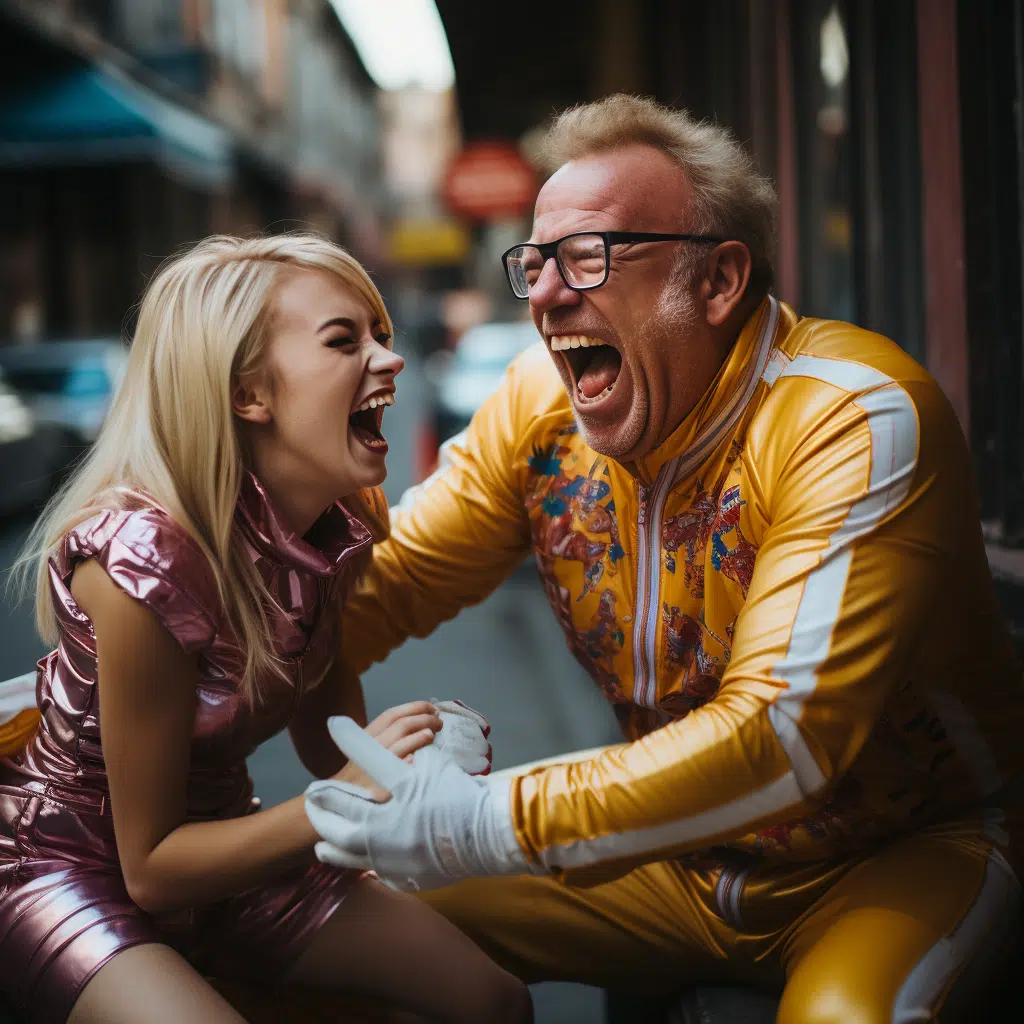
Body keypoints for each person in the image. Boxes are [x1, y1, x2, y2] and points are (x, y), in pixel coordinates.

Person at [304, 95, 1024, 1023]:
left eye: (591, 255)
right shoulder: (539, 405)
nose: (551, 294)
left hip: (904, 853)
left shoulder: (852, 412)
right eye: (535, 263)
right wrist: (116, 677)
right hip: (671, 866)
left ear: (719, 281)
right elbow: (380, 589)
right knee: (325, 930)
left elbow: (783, 738)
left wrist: (488, 820)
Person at [0, 234, 532, 1024]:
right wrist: (336, 802)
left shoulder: (341, 521)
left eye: (380, 336)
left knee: (493, 1001)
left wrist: (414, 779)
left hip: (226, 851)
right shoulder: (141, 564)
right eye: (345, 340)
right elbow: (149, 869)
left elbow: (331, 737)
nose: (389, 361)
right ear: (251, 392)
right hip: (69, 868)